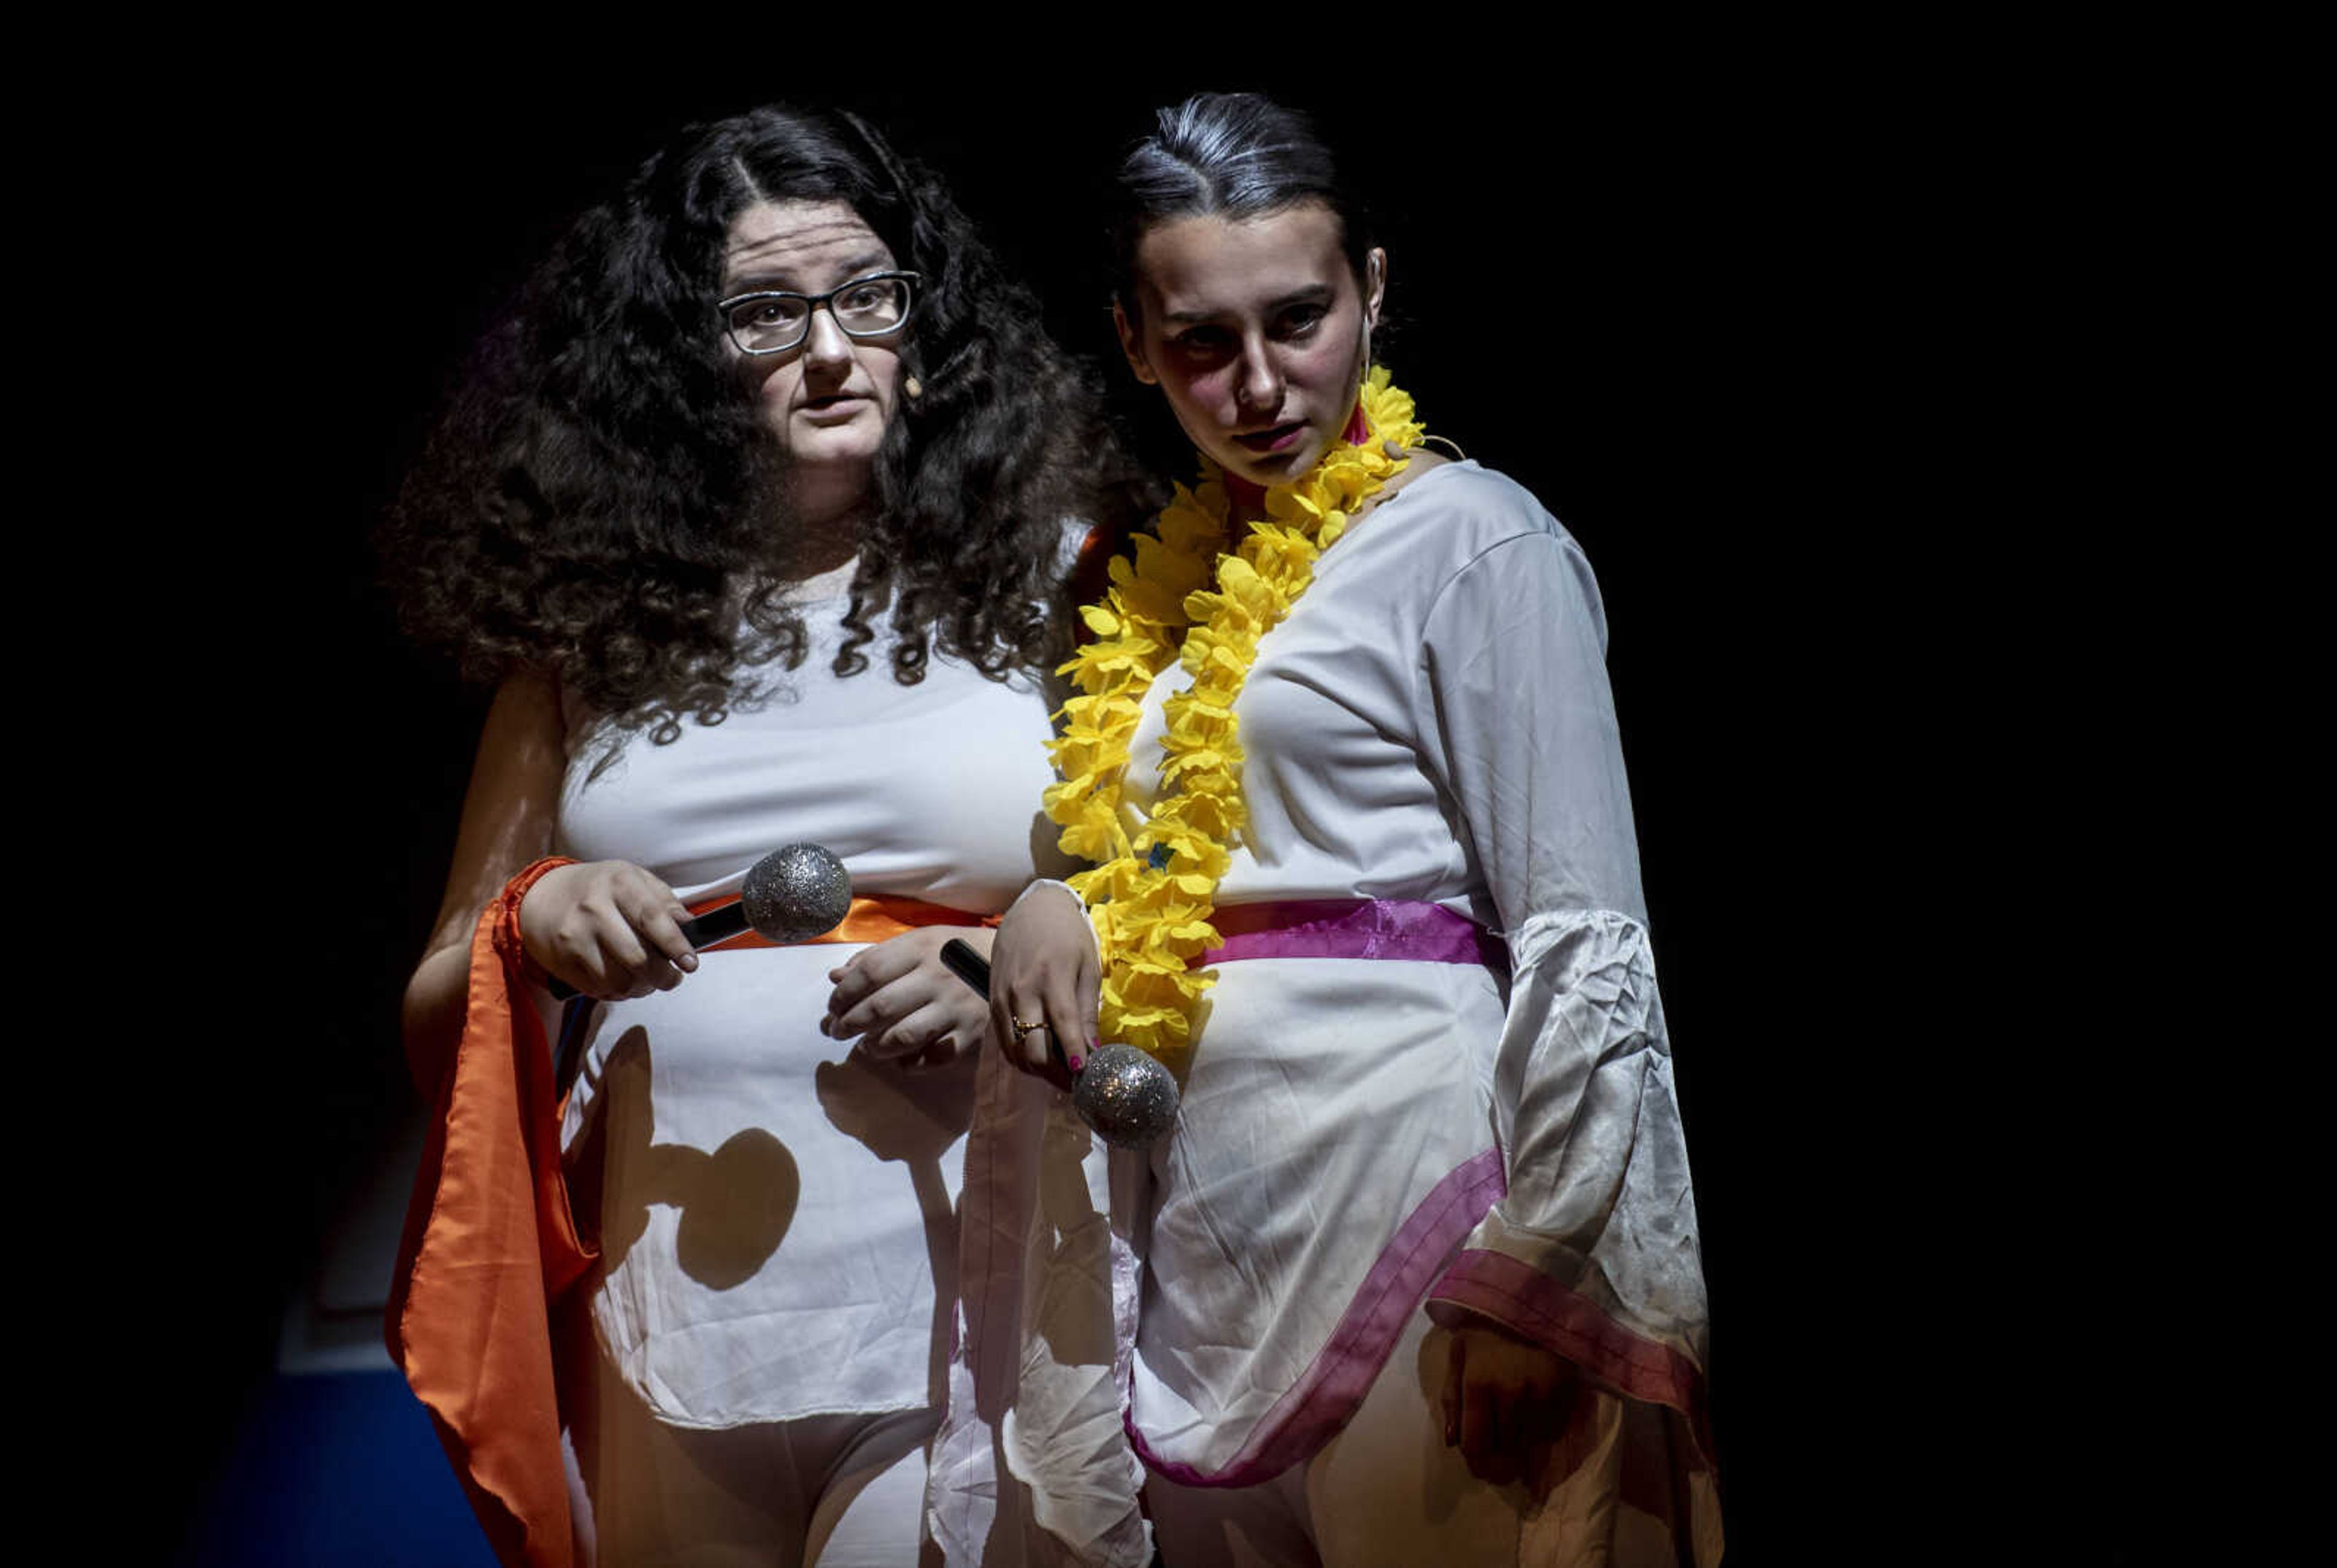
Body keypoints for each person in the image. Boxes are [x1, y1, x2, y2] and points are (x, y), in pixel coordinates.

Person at [984, 93, 1722, 1566]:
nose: (1259, 382)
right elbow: (1154, 849)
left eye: (1301, 317)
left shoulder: (1474, 539)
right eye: (1201, 340)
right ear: (1134, 342)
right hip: (1205, 1230)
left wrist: (1534, 1273)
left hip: (1417, 1201)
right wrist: (1053, 896)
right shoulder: (1162, 597)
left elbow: (1586, 934)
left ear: (1373, 290)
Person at [383, 103, 1116, 1568]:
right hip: (677, 1315)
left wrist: (1005, 952)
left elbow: (1175, 904)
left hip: (964, 1287)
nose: (832, 351)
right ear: (680, 359)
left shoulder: (1068, 577)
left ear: (926, 312)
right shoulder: (584, 634)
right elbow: (435, 997)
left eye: (865, 297)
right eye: (767, 315)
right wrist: (535, 920)